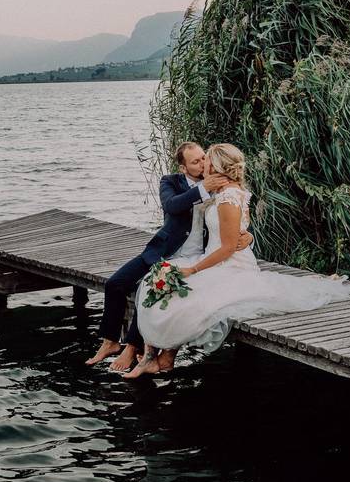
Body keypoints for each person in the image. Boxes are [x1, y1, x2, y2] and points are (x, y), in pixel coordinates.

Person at [124, 143, 350, 379]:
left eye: (206, 159)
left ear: (217, 165)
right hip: (215, 260)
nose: (203, 163)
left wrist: (194, 269)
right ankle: (160, 359)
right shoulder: (223, 192)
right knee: (158, 281)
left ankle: (163, 359)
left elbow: (228, 247)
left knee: (188, 299)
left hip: (230, 265)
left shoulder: (229, 196)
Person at [85, 142, 253, 371]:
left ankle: (132, 348)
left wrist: (249, 237)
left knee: (149, 287)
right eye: (195, 162)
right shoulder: (172, 182)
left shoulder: (219, 184)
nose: (203, 163)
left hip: (196, 256)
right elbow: (172, 206)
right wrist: (202, 188)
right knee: (115, 284)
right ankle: (110, 341)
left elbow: (235, 216)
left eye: (204, 158)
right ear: (183, 168)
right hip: (163, 250)